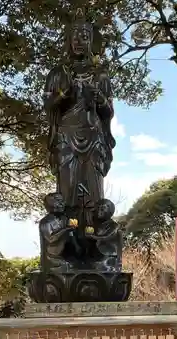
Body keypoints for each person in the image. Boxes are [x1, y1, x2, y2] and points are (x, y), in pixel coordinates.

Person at [43, 8, 116, 225]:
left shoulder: (100, 74)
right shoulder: (57, 73)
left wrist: (101, 99)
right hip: (67, 136)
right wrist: (64, 93)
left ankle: (94, 235)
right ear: (68, 40)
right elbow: (48, 105)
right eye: (74, 37)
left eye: (84, 37)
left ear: (91, 40)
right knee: (67, 188)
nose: (79, 41)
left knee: (93, 189)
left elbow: (109, 111)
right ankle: (66, 237)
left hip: (93, 137)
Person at [39, 193, 81, 272]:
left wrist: (76, 244)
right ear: (50, 204)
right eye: (58, 201)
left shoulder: (64, 219)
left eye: (62, 201)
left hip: (67, 254)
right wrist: (66, 229)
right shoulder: (45, 222)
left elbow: (70, 233)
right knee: (67, 268)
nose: (62, 204)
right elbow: (50, 239)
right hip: (52, 256)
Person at [85, 198, 122, 272]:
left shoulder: (114, 225)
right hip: (98, 256)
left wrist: (93, 237)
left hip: (109, 258)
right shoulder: (96, 226)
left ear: (110, 211)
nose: (99, 211)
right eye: (97, 208)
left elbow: (107, 237)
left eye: (102, 208)